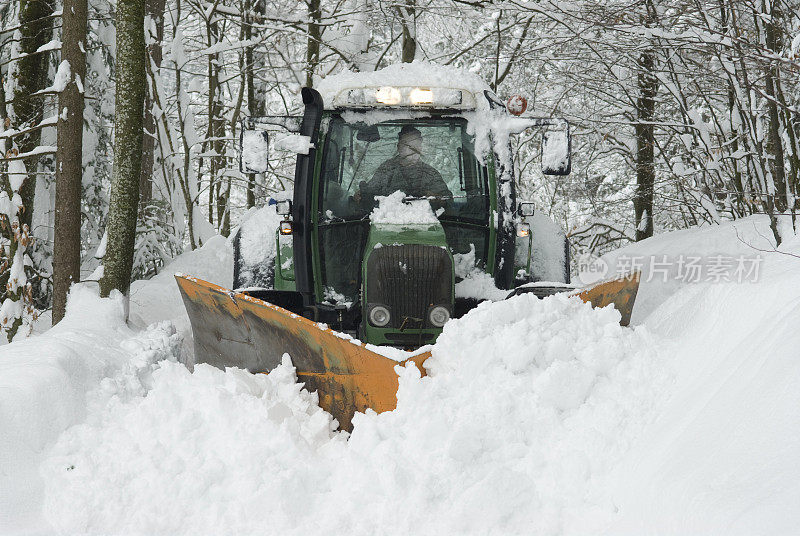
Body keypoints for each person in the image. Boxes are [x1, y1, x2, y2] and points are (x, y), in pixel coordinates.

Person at [354, 125, 451, 206]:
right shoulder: (386, 170)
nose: (414, 150)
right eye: (409, 146)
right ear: (399, 147)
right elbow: (369, 193)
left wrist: (438, 199)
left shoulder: (430, 174)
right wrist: (360, 196)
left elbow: (448, 200)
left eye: (417, 145)